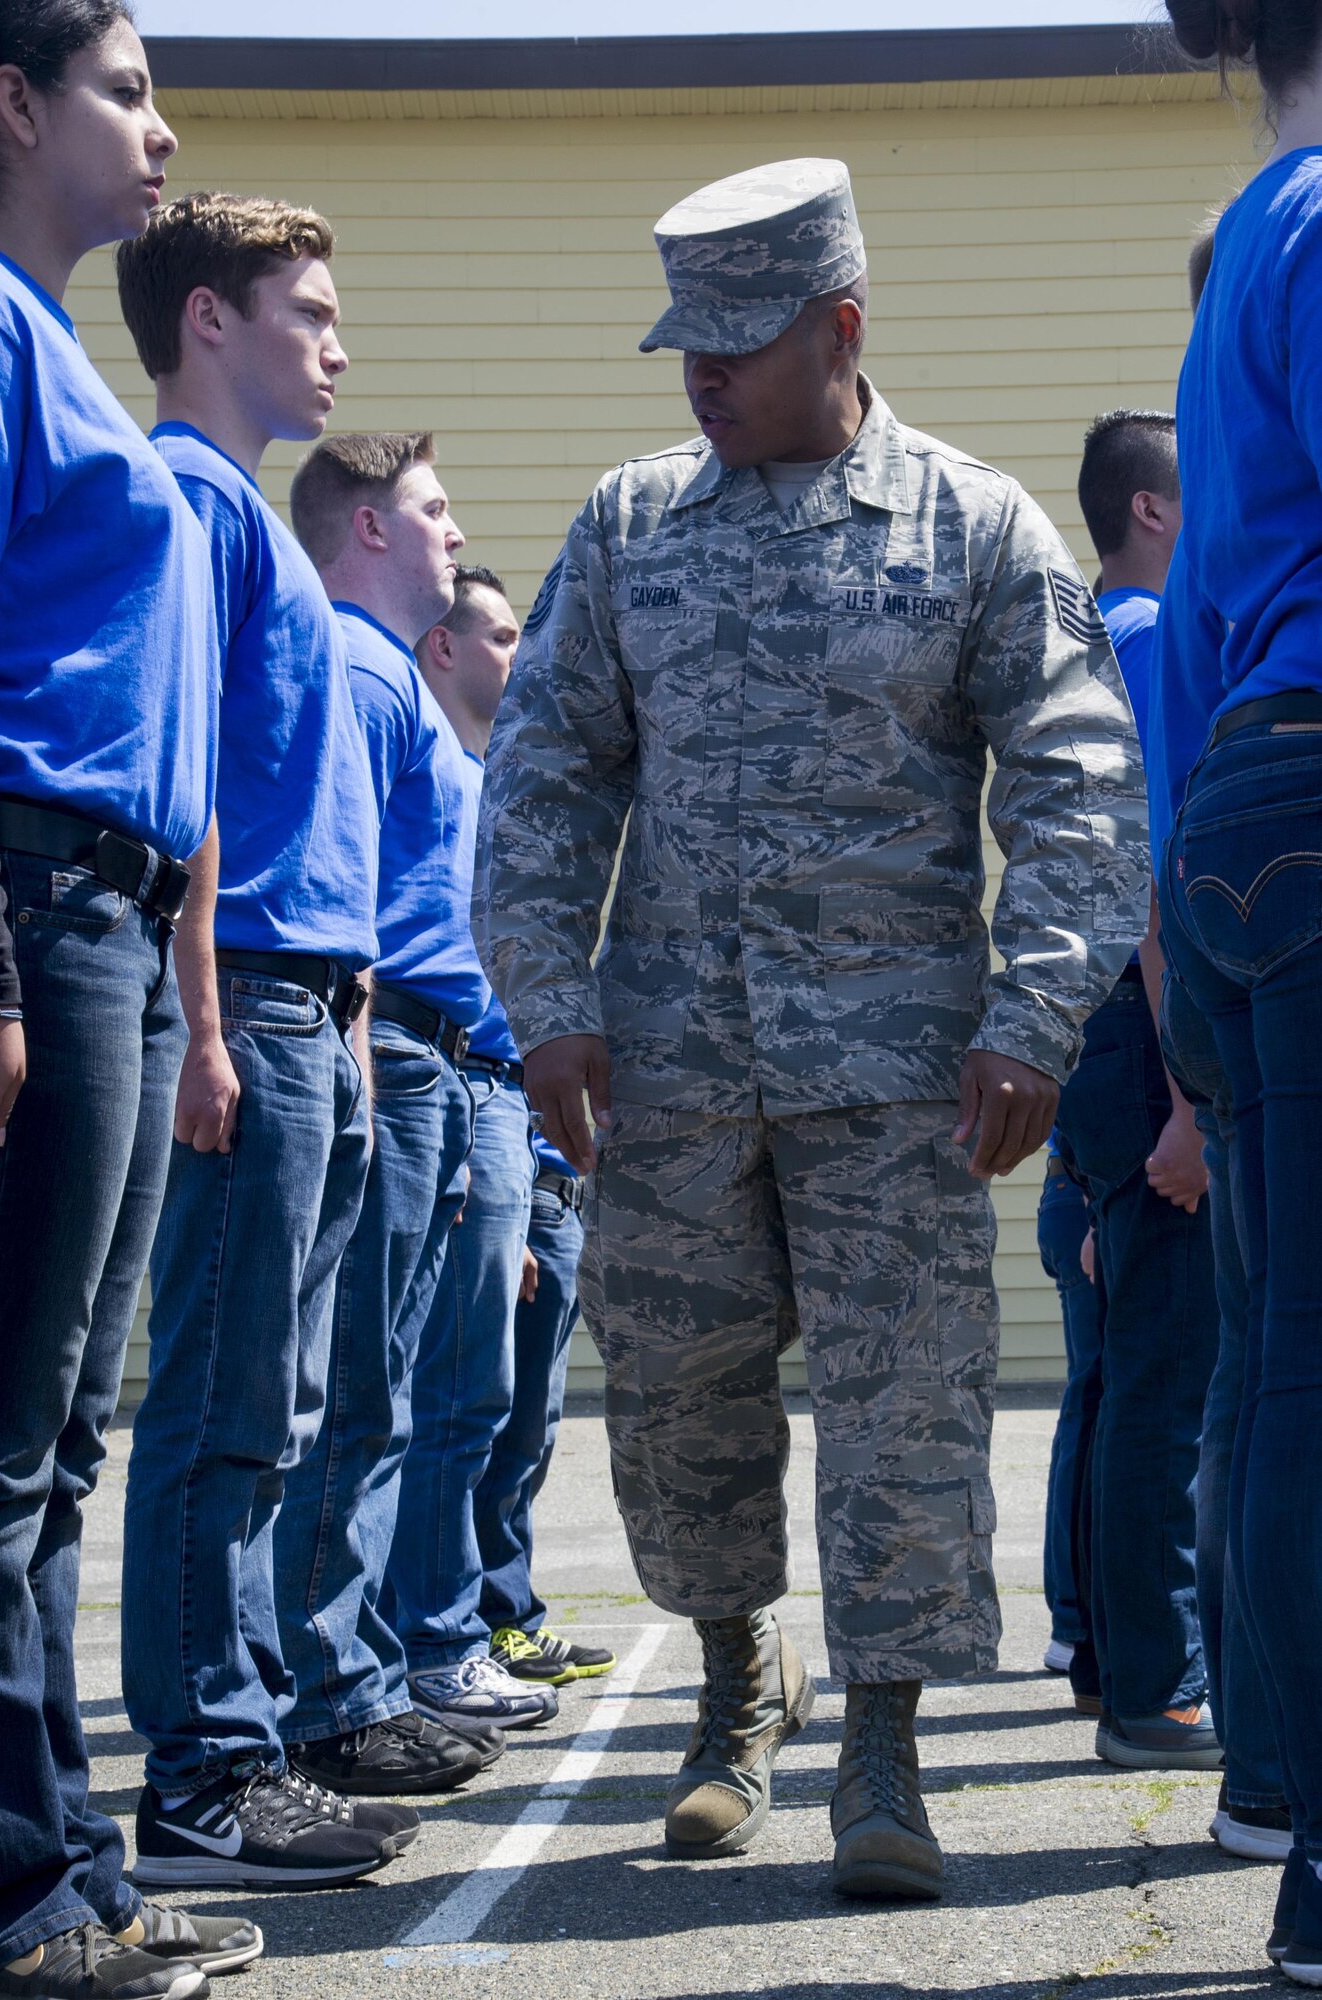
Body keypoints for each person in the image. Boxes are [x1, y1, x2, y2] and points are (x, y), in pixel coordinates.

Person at [477, 157, 1149, 1900]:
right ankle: (729, 1694)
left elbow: (1078, 786)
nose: (698, 378)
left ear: (840, 329)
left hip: (903, 1081)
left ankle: (885, 1754)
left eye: (736, 346)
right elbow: (544, 780)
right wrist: (548, 1006)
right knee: (682, 1407)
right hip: (675, 1083)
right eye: (682, 347)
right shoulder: (630, 528)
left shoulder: (976, 527)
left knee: (904, 1415)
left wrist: (1037, 1013)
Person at [0, 7, 261, 1992]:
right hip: (35, 899)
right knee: (5, 1446)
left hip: (122, 919)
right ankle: (17, 1894)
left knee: (65, 1440)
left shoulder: (56, 348)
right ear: (11, 104)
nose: (159, 130)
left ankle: (63, 1865)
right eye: (123, 90)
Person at [113, 192, 405, 1889]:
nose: (335, 342)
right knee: (227, 1402)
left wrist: (341, 1024)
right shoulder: (188, 496)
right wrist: (210, 1027)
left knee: (281, 1403)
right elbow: (188, 782)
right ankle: (204, 1776)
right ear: (209, 321)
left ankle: (250, 1737)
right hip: (251, 1006)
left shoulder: (245, 516)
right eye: (304, 309)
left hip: (312, 1011)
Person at [1155, 10, 1322, 1969]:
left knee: (1290, 1357)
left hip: (1244, 811)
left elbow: (1204, 619)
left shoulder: (1243, 241)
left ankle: (1295, 1828)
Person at [272, 434, 506, 1797]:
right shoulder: (363, 671)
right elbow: (338, 899)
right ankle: (334, 1689)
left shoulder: (387, 686)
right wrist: (358, 1073)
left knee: (385, 1390)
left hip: (426, 1058)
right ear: (364, 529)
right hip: (395, 1052)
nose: (447, 529)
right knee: (358, 1388)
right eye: (427, 509)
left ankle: (354, 1673)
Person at [1149, 210, 1290, 1863]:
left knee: (1261, 1367)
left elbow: (1164, 838)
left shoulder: (1203, 571)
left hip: (1226, 932)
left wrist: (1193, 1036)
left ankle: (1264, 1771)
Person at [1050, 409, 1221, 1770]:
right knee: (1168, 1378)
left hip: (1099, 1038)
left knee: (1124, 1375)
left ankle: (1116, 1654)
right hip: (1144, 1031)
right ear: (1153, 513)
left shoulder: (1095, 642)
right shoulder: (1157, 641)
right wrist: (1185, 1100)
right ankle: (1152, 1688)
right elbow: (1151, 888)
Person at [419, 566, 616, 1690]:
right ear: (445, 649)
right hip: (481, 1119)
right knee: (467, 1409)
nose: (520, 652)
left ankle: (503, 1604)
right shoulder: (433, 771)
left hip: (532, 1144)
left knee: (522, 1413)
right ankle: (455, 1628)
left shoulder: (497, 787)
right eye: (499, 633)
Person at [1035, 1138, 1101, 1680]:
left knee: (1088, 1407)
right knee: (1096, 1407)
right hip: (1087, 1193)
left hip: (1071, 1188)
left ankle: (1073, 1618)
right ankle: (1076, 1623)